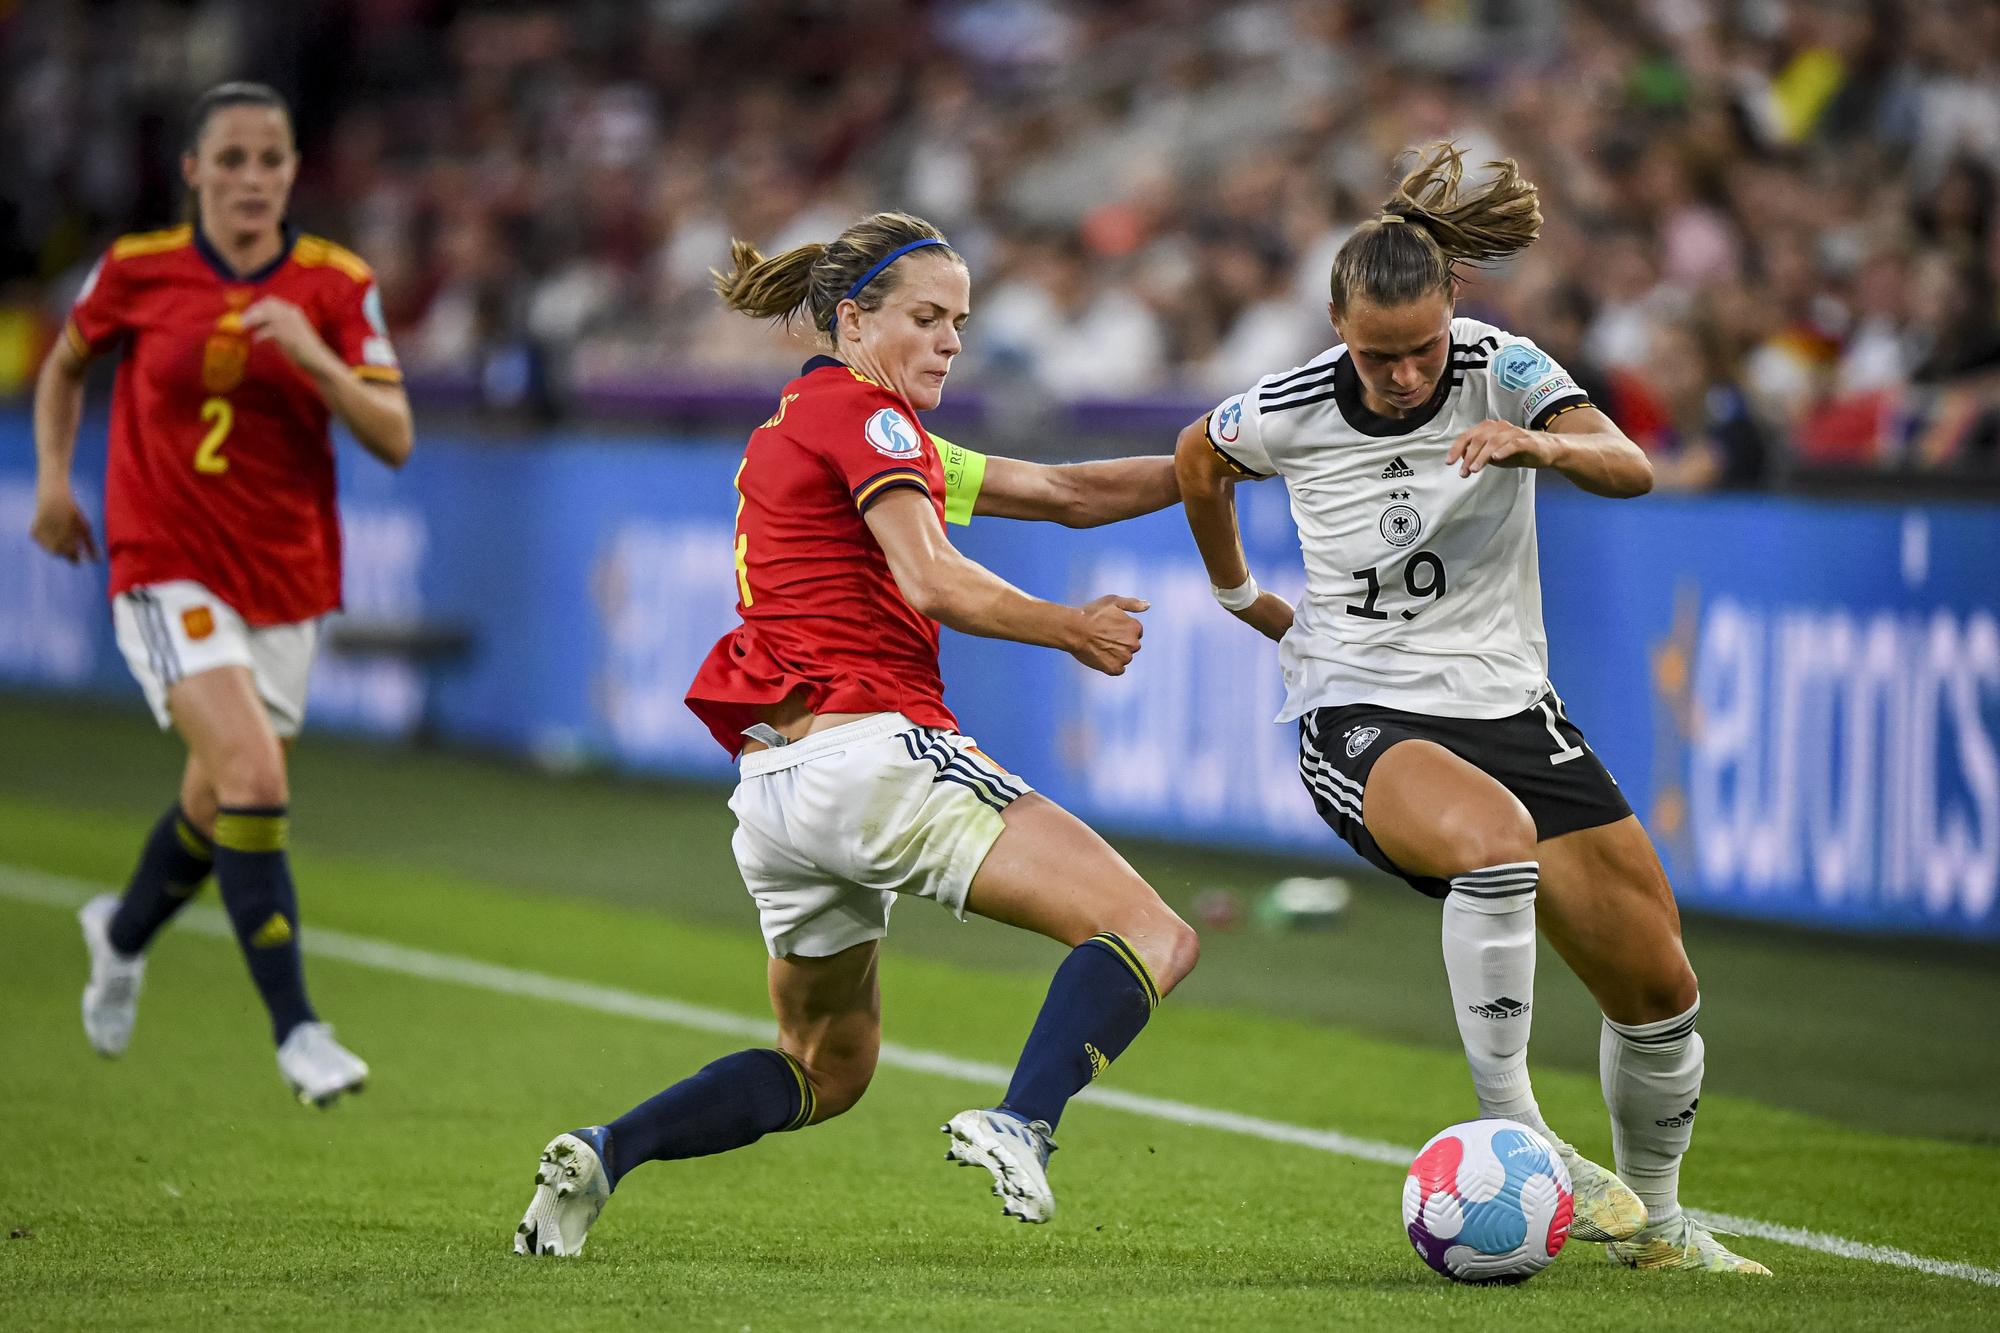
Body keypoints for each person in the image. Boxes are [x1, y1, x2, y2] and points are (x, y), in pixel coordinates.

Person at [514, 212, 1199, 1256]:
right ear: (852, 318)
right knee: (1153, 934)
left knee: (825, 1067)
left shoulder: (816, 426)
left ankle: (606, 1151)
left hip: (780, 791)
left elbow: (1064, 492)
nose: (948, 343)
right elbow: (929, 575)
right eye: (924, 318)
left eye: (958, 323)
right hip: (870, 752)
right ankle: (1022, 1120)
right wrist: (1067, 626)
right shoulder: (869, 423)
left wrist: (1226, 456)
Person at [1175, 144, 1770, 1276]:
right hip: (1361, 708)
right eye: (1376, 355)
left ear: (1453, 305)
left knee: (1658, 988)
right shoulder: (1289, 403)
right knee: (1491, 847)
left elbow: (1629, 465)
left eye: (1420, 350)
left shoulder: (1501, 365)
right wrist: (1242, 597)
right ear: (1336, 329)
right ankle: (1521, 1132)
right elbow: (1195, 459)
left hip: (1508, 706)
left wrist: (1535, 439)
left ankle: (1655, 1226)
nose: (1403, 375)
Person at [29, 82, 414, 1106]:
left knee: (215, 798)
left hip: (286, 581)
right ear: (193, 171)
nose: (253, 179)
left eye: (272, 160)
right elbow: (64, 369)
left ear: (294, 172)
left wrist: (321, 361)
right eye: (232, 159)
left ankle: (117, 935)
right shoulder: (139, 271)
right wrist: (56, 481)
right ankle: (299, 1032)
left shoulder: (336, 284)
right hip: (162, 563)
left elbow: (394, 437)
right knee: (251, 772)